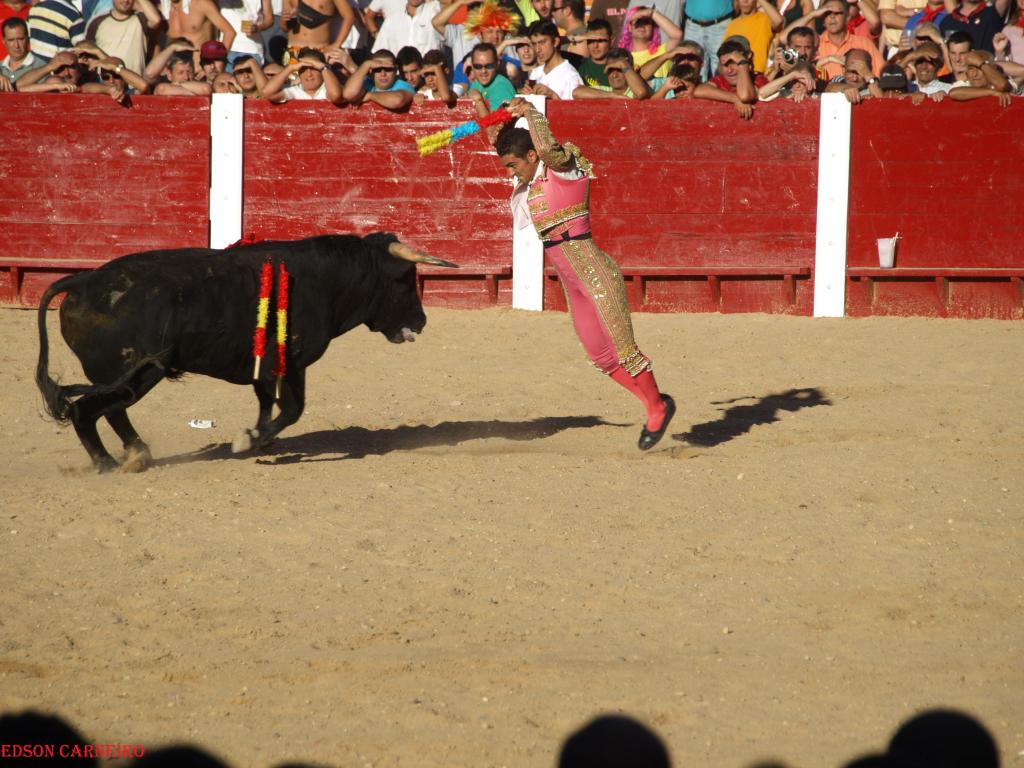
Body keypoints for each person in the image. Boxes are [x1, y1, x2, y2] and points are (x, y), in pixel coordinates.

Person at [496, 97, 676, 451]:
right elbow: (503, 141)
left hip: (596, 273)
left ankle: (657, 406)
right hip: (572, 283)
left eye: (513, 164)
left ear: (532, 156)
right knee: (601, 357)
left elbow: (548, 147)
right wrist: (487, 108)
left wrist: (531, 111)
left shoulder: (563, 168)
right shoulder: (532, 182)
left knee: (625, 350)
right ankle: (654, 403)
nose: (509, 173)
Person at [85, 0, 161, 75]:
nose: (126, 1)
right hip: (105, 83)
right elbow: (87, 48)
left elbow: (156, 20)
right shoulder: (97, 21)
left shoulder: (141, 18)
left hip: (135, 83)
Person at [522, 18, 582, 98]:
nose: (537, 49)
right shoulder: (535, 73)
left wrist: (553, 96)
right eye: (534, 44)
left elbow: (577, 109)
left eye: (542, 42)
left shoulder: (570, 76)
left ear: (556, 42)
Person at [616, 5, 681, 77]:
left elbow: (677, 35)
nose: (641, 26)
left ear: (653, 28)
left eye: (646, 22)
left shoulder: (663, 51)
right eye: (638, 22)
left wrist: (652, 13)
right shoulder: (622, 57)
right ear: (630, 27)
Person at [341, 47, 416, 107]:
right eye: (378, 69)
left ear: (395, 70)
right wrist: (366, 65)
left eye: (388, 69)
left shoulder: (403, 85)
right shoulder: (367, 82)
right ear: (370, 70)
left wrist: (369, 95)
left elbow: (397, 100)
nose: (383, 74)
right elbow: (348, 94)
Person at [262, 44, 345, 99]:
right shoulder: (295, 90)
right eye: (303, 68)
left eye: (314, 68)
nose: (309, 74)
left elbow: (335, 95)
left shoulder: (328, 88)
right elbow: (267, 93)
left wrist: (324, 68)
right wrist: (290, 68)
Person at [279, 0, 355, 59]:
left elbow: (349, 16)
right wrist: (284, 20)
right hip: (293, 50)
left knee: (320, 79)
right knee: (291, 79)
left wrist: (336, 45)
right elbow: (284, 28)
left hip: (319, 50)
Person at [721, 0, 782, 72]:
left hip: (758, 73)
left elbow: (779, 21)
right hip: (737, 73)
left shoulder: (765, 19)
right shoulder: (732, 24)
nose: (745, 1)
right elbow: (724, 52)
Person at [365, 0, 441, 56]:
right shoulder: (392, 20)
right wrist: (375, 34)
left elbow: (449, 3)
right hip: (400, 74)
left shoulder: (435, 12)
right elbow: (379, 53)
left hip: (428, 74)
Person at [572, 45, 652, 96]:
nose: (614, 75)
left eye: (619, 69)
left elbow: (641, 93)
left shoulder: (634, 92)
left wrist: (624, 64)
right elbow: (576, 92)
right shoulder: (605, 91)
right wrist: (612, 96)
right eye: (610, 70)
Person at [160, 0, 236, 53]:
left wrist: (218, 61)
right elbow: (155, 41)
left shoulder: (201, 3)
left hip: (200, 69)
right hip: (174, 71)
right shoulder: (163, 10)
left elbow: (229, 32)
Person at [466, 41, 516, 108]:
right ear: (472, 66)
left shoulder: (502, 86)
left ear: (497, 65)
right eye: (478, 66)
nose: (483, 71)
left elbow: (496, 118)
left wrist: (478, 100)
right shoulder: (476, 83)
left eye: (489, 66)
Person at [1, 17, 43, 88]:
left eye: (20, 39)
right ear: (4, 41)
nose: (16, 45)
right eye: (11, 40)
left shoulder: (41, 65)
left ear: (28, 39)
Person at [576, 18, 614, 86]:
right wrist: (575, 38)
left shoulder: (620, 66)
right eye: (591, 41)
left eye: (600, 41)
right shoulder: (578, 63)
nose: (595, 46)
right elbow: (555, 42)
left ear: (611, 41)